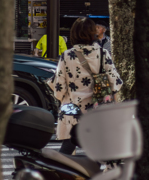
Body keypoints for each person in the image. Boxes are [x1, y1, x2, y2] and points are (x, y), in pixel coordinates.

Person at [49, 17, 124, 154]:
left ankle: (65, 173)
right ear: (93, 33)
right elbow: (116, 83)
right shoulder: (102, 54)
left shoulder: (67, 55)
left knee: (67, 147)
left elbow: (59, 89)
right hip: (97, 111)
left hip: (73, 112)